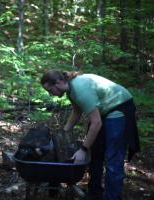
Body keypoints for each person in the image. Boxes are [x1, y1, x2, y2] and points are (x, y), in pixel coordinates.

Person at [41, 70, 140, 200]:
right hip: (104, 111)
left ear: (59, 82)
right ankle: (95, 194)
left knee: (113, 160)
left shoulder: (80, 90)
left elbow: (96, 122)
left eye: (50, 90)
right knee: (95, 154)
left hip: (119, 107)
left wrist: (83, 149)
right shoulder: (70, 90)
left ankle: (112, 197)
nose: (50, 94)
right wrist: (63, 132)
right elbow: (77, 112)